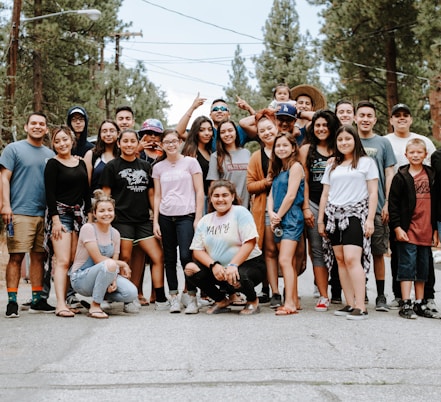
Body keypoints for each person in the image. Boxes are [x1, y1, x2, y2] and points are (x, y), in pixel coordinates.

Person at [101, 129, 167, 314]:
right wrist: (105, 222)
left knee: (157, 256)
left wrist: (156, 218)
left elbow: (152, 194)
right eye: (125, 141)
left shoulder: (146, 166)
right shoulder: (112, 166)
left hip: (143, 221)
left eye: (132, 141)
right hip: (122, 220)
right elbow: (105, 196)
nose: (129, 144)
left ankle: (159, 297)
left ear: (137, 143)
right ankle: (122, 297)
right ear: (119, 144)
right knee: (125, 258)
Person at [318, 125, 378, 320]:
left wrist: (370, 219)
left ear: (355, 140)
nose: (344, 143)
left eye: (348, 139)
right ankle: (350, 303)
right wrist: (321, 220)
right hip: (334, 216)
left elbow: (372, 193)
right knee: (341, 261)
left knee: (353, 259)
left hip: (355, 215)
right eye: (340, 140)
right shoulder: (332, 165)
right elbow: (325, 194)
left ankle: (361, 305)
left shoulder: (366, 162)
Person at [385, 103, 439, 316]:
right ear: (406, 155)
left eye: (419, 152)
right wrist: (397, 227)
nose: (416, 155)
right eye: (412, 152)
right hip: (407, 230)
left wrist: (435, 229)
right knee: (406, 267)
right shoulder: (401, 176)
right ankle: (405, 302)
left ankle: (420, 302)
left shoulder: (431, 176)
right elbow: (394, 204)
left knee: (423, 270)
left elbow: (435, 205)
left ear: (425, 153)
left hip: (426, 231)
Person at [1, 112, 56, 317]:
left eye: (41, 124)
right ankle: (12, 301)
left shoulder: (50, 155)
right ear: (26, 127)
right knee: (16, 256)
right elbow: (4, 178)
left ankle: (37, 299)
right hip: (20, 211)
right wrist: (6, 205)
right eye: (33, 123)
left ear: (46, 129)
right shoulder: (13, 149)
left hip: (44, 213)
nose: (37, 126)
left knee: (39, 257)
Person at [184, 180, 266, 315]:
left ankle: (252, 300)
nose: (220, 199)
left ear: (232, 197)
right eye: (216, 196)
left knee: (240, 275)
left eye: (225, 195)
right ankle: (221, 300)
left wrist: (233, 265)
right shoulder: (205, 220)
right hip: (220, 270)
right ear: (210, 199)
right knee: (190, 269)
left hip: (249, 265)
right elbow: (197, 251)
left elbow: (250, 242)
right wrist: (214, 265)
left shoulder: (240, 212)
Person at [152, 129, 204, 314]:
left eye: (174, 141)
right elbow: (157, 196)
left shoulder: (191, 163)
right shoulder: (158, 167)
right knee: (169, 258)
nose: (171, 145)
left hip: (186, 215)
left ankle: (191, 297)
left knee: (185, 256)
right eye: (167, 142)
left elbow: (200, 192)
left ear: (180, 142)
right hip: (166, 216)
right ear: (162, 145)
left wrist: (198, 218)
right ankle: (173, 297)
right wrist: (156, 221)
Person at [44, 126, 91, 317]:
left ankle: (67, 299)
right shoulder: (52, 164)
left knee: (73, 261)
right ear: (53, 145)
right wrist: (55, 220)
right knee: (62, 261)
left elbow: (86, 192)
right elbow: (49, 194)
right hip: (61, 216)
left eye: (65, 139)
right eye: (57, 141)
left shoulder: (80, 163)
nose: (62, 144)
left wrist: (89, 216)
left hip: (78, 216)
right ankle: (60, 304)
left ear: (72, 141)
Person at [69, 190, 138, 319]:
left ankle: (101, 297)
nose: (106, 214)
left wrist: (113, 281)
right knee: (109, 264)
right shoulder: (88, 228)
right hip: (81, 278)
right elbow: (98, 259)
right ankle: (95, 306)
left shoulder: (115, 233)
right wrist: (123, 264)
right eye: (101, 211)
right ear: (94, 213)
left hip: (105, 273)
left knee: (131, 293)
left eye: (110, 210)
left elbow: (114, 264)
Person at [355, 101, 396, 312]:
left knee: (378, 252)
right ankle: (358, 293)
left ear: (375, 119)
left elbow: (389, 173)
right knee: (355, 254)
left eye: (369, 116)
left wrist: (388, 202)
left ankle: (380, 295)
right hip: (353, 207)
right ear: (355, 118)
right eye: (361, 115)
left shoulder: (383, 143)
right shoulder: (348, 140)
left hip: (378, 206)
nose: (365, 119)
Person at [299, 110, 340, 312]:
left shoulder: (341, 147)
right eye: (317, 125)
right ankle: (324, 295)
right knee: (318, 251)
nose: (321, 129)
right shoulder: (307, 149)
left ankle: (345, 293)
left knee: (340, 251)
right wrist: (306, 207)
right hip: (314, 204)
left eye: (325, 125)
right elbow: (304, 180)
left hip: (339, 204)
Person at [246, 109, 281, 308]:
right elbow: (250, 186)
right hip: (264, 209)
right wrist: (266, 182)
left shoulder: (287, 148)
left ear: (276, 128)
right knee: (268, 250)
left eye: (270, 128)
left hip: (288, 207)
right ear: (258, 135)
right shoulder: (256, 156)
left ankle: (289, 289)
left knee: (288, 251)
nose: (267, 133)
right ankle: (273, 290)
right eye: (262, 131)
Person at [268, 132, 305, 315]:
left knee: (284, 260)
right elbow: (271, 194)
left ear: (292, 148)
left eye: (285, 145)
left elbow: (291, 195)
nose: (281, 149)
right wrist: (271, 213)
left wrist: (278, 216)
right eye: (278, 146)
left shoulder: (296, 167)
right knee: (287, 260)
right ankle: (295, 300)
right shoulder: (279, 169)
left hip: (291, 217)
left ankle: (289, 303)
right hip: (279, 218)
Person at [175, 95, 256, 149]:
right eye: (215, 109)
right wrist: (192, 108)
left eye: (223, 109)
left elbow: (261, 125)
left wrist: (249, 108)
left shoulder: (239, 131)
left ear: (229, 114)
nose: (219, 111)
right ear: (210, 115)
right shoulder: (205, 133)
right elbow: (179, 132)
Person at [207, 119, 251, 208]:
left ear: (236, 132)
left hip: (246, 207)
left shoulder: (246, 153)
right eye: (223, 132)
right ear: (219, 136)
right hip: (225, 207)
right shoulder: (216, 156)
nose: (227, 134)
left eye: (230, 130)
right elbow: (213, 186)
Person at [181, 115, 214, 201]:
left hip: (210, 198)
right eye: (202, 130)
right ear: (196, 132)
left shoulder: (210, 151)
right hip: (194, 198)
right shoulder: (191, 151)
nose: (207, 133)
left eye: (210, 130)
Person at [84, 120, 120, 195]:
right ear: (100, 134)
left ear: (118, 133)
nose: (108, 134)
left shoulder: (123, 155)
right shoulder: (91, 155)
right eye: (104, 131)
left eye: (112, 131)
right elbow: (86, 185)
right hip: (97, 202)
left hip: (120, 203)